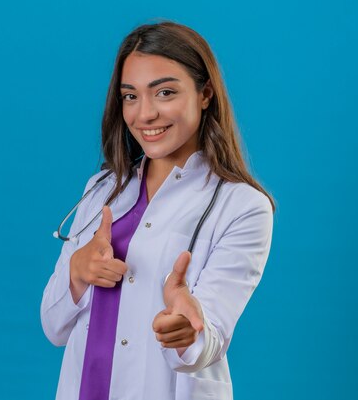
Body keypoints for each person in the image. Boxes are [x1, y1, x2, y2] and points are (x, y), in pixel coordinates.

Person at [41, 21, 275, 400]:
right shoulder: (101, 190)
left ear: (205, 94)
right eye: (130, 96)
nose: (144, 114)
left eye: (164, 92)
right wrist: (78, 272)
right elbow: (53, 327)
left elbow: (209, 339)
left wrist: (187, 328)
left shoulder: (243, 206)